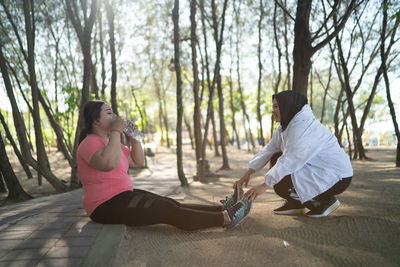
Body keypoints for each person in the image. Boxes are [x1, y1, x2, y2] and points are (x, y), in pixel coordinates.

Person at [77, 100, 252, 230]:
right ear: (96, 120)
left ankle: (222, 208)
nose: (114, 116)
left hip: (122, 196)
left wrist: (134, 139)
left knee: (170, 203)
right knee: (167, 210)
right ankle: (227, 218)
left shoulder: (112, 143)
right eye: (109, 113)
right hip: (104, 206)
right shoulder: (89, 143)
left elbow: (137, 162)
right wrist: (116, 130)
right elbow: (108, 163)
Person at [235, 90, 353, 217]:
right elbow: (268, 150)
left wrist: (264, 186)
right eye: (273, 106)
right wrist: (248, 174)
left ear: (287, 107)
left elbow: (290, 161)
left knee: (282, 172)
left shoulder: (303, 128)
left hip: (338, 176)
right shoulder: (284, 127)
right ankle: (296, 203)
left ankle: (324, 202)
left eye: (276, 106)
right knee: (275, 158)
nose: (273, 110)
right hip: (317, 169)